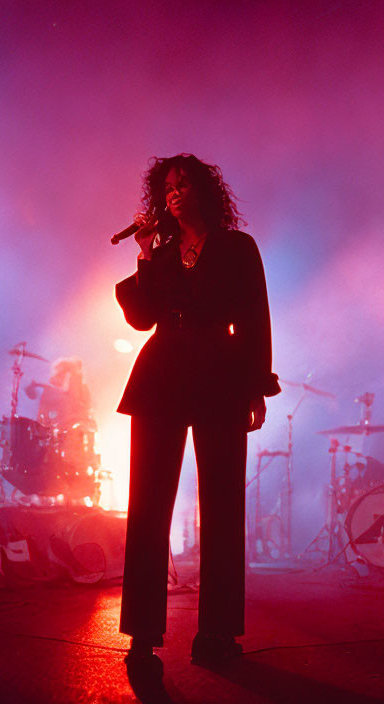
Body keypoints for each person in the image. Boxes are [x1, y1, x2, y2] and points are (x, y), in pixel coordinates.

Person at [114, 154, 280, 673]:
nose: (174, 194)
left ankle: (216, 633)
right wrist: (143, 254)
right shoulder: (160, 252)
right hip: (162, 371)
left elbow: (254, 318)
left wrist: (256, 387)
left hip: (220, 373)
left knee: (223, 506)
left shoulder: (236, 247)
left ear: (205, 191)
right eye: (167, 188)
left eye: (184, 185)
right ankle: (143, 634)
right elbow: (141, 319)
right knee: (148, 505)